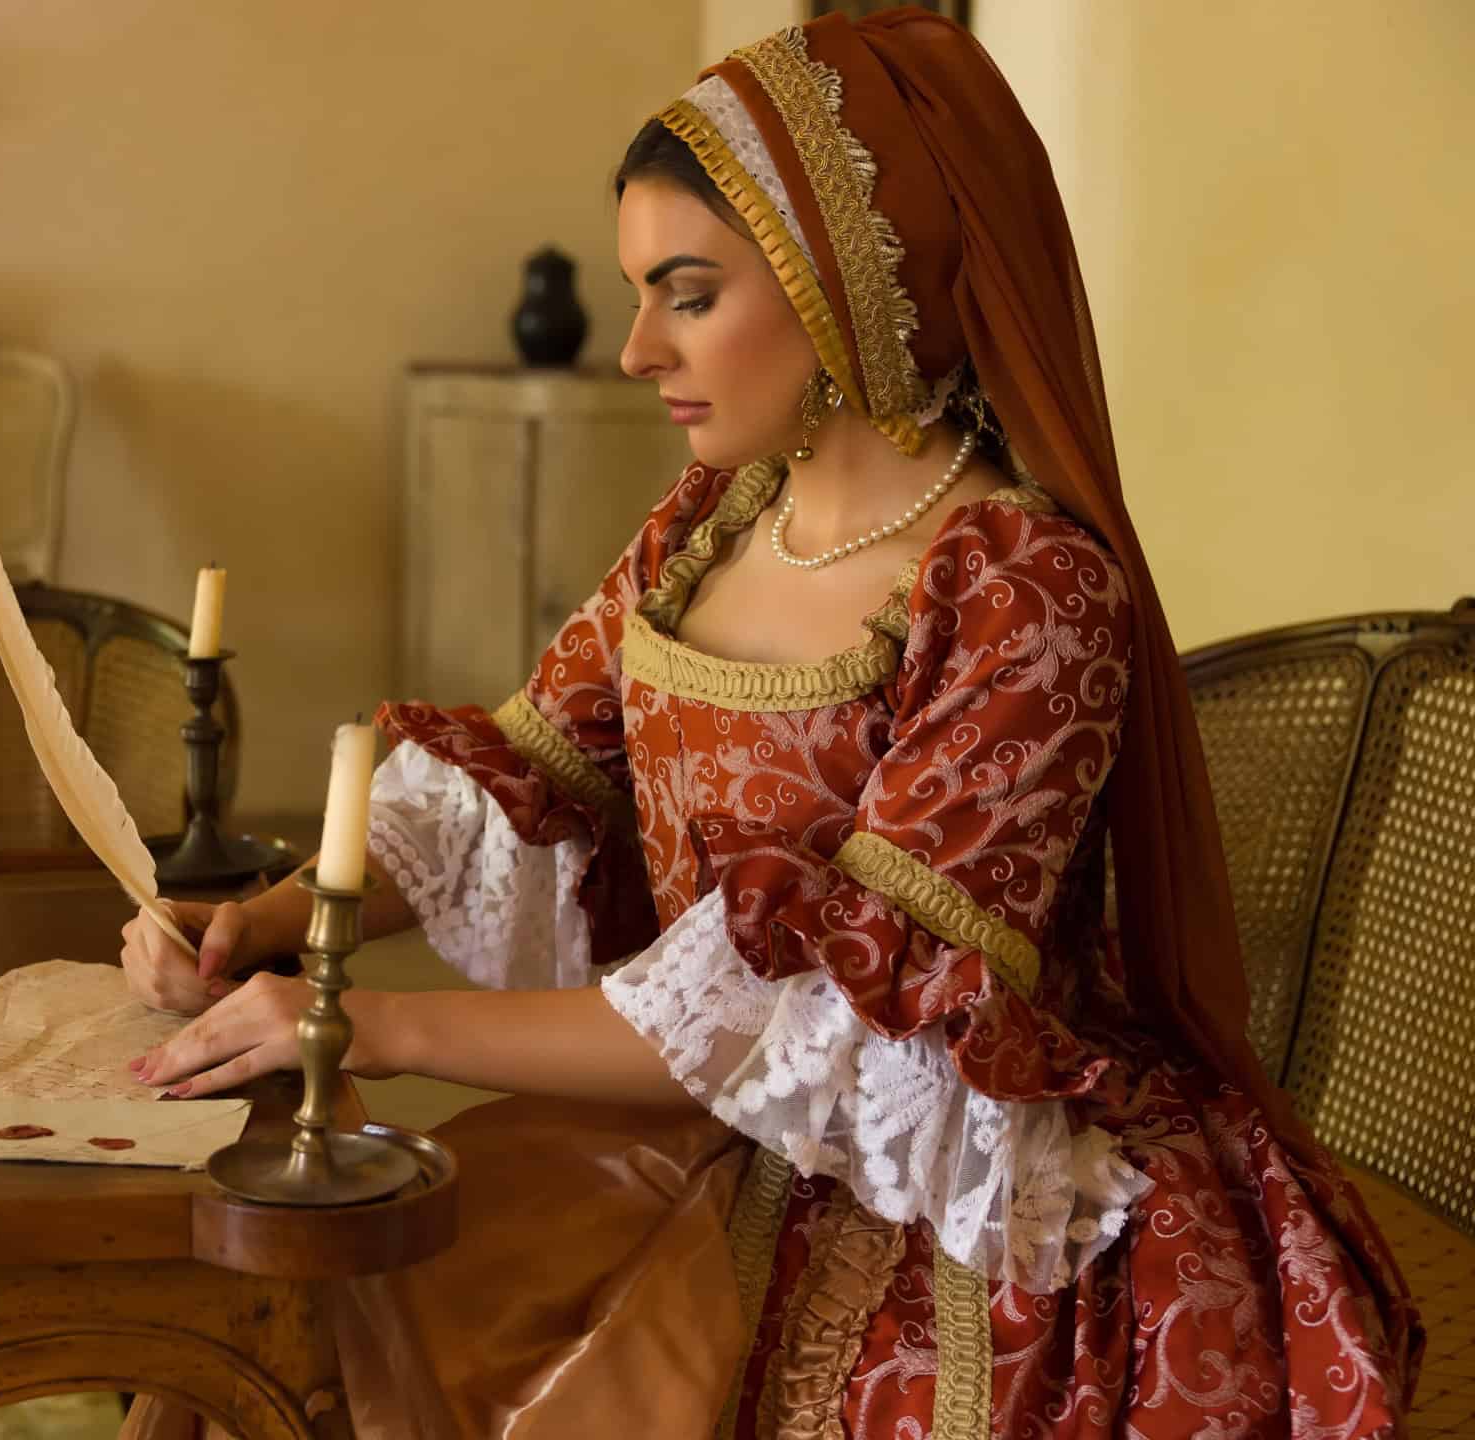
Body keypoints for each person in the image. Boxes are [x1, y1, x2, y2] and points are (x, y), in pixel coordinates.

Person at [114, 10, 1420, 1438]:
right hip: (690, 1135)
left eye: (687, 296)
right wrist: (275, 925)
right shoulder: (711, 525)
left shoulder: (1024, 587)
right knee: (296, 1326)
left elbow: (841, 1019)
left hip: (933, 1192)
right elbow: (523, 782)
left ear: (844, 287)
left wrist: (367, 1024)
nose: (636, 350)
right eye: (640, 294)